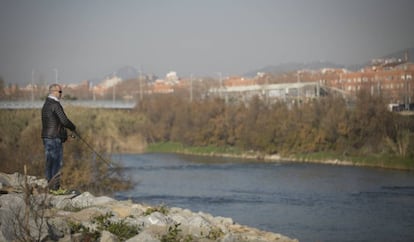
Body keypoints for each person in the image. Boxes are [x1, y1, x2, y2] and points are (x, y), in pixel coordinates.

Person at [41, 83, 76, 190]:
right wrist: (73, 127)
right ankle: (55, 188)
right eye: (60, 92)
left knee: (50, 162)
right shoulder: (55, 104)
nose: (61, 94)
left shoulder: (46, 104)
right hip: (54, 138)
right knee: (56, 162)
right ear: (53, 92)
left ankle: (50, 186)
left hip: (46, 137)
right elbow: (64, 120)